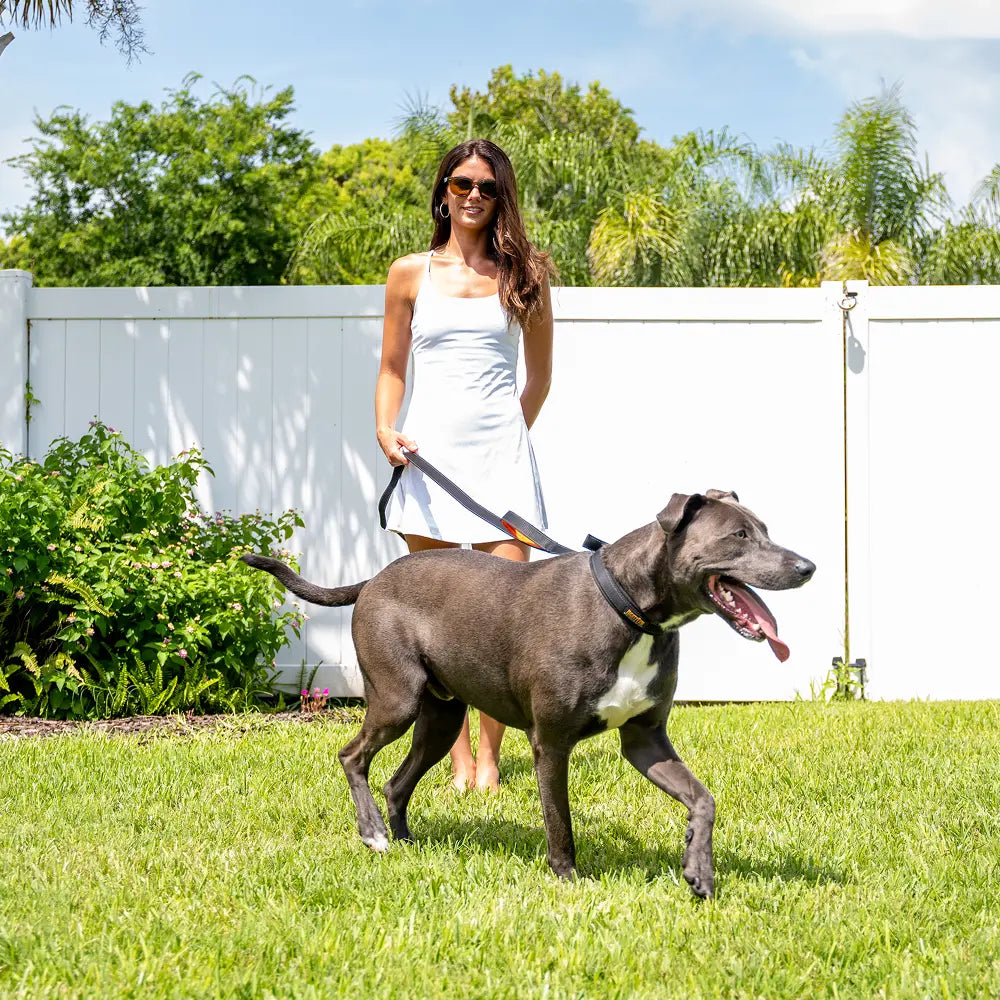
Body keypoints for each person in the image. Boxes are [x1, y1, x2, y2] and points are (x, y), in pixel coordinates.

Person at [375, 139, 555, 793]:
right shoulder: (408, 274)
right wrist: (384, 428)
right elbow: (392, 368)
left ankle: (491, 762)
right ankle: (453, 762)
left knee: (508, 618)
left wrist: (507, 438)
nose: (473, 195)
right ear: (442, 192)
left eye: (487, 186)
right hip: (428, 463)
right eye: (461, 183)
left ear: (502, 196)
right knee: (440, 623)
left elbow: (539, 379)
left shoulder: (525, 272)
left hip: (500, 463)